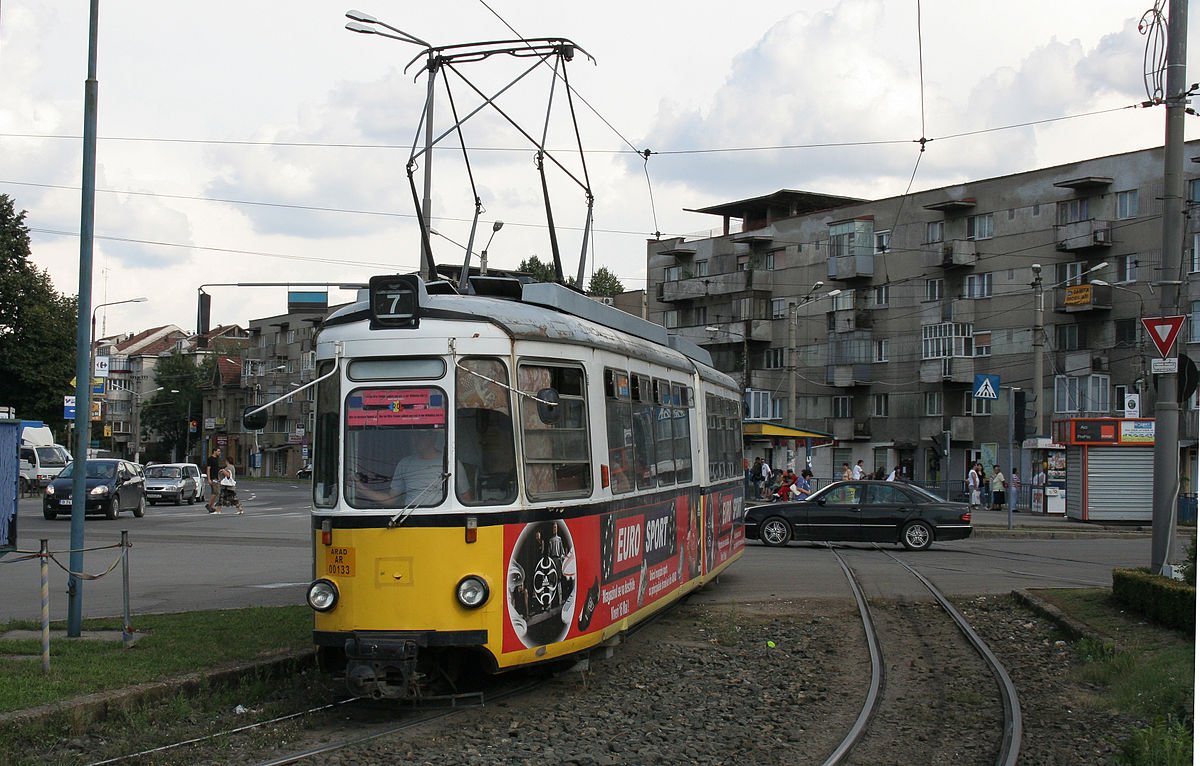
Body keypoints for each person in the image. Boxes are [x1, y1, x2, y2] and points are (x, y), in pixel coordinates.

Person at [204, 448, 221, 513]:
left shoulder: (217, 459)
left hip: (216, 478)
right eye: (218, 451)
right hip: (213, 478)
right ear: (214, 451)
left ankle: (211, 506)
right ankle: (209, 505)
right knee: (215, 492)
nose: (219, 452)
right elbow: (208, 469)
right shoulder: (210, 459)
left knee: (216, 492)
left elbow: (217, 469)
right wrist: (209, 479)